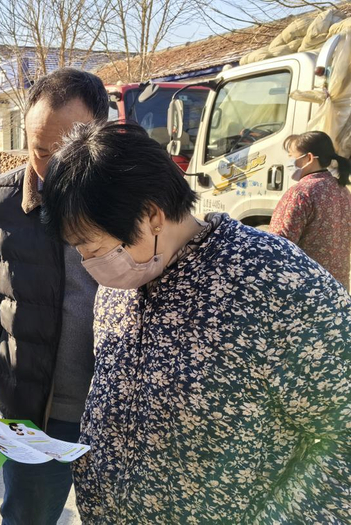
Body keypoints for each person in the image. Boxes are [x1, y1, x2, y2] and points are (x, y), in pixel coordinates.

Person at [40, 120, 351, 524]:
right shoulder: (120, 285)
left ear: (152, 215)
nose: (88, 263)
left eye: (94, 247)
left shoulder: (273, 280)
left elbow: (340, 440)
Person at [0, 68, 109, 525]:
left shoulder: (132, 197)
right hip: (37, 416)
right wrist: (4, 363)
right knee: (28, 518)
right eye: (40, 151)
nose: (53, 166)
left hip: (119, 413)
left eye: (67, 151)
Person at [269, 131, 351, 289]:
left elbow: (278, 245)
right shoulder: (342, 190)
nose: (289, 160)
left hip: (307, 290)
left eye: (291, 155)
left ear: (309, 158)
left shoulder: (301, 193)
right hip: (338, 288)